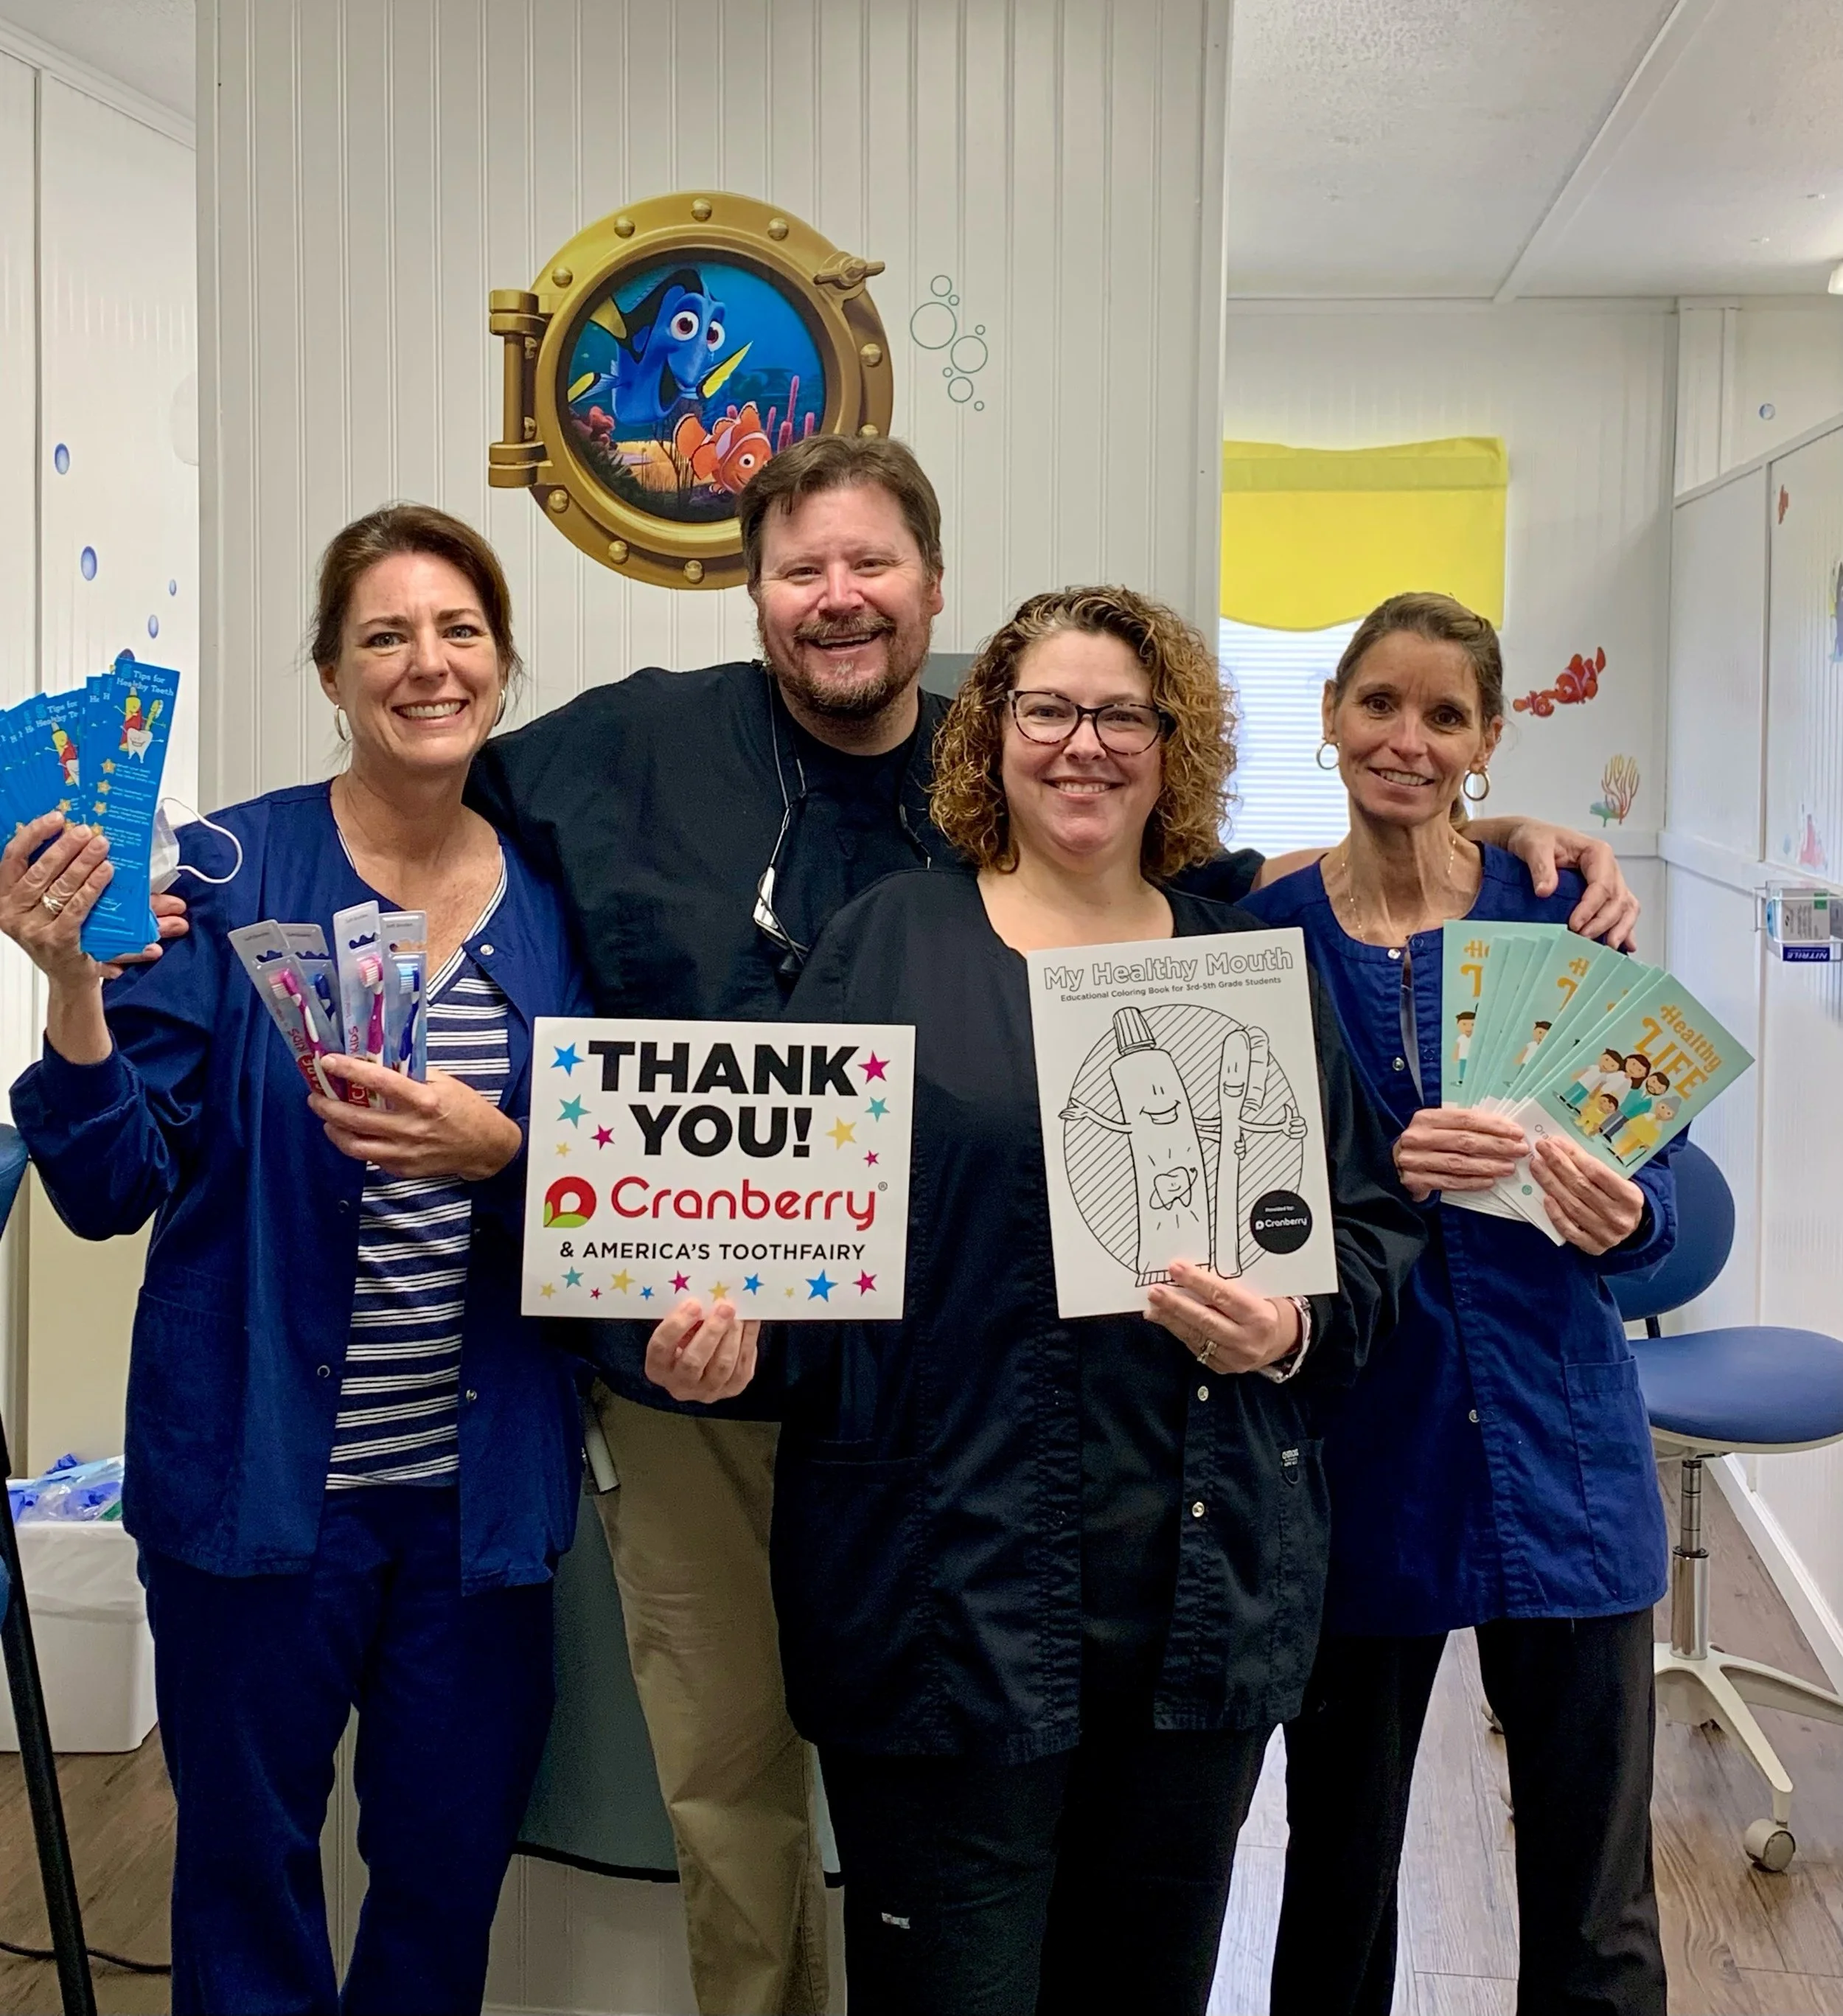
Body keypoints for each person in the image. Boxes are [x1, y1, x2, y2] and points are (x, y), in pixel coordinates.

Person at [465, 431, 1643, 2016]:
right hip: (940, 1593)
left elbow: (1368, 1235)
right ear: (989, 739)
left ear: (1170, 744)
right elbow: (800, 1230)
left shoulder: (1245, 961)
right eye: (1044, 711)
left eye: (1119, 716)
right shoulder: (884, 943)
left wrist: (1294, 1320)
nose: (1081, 744)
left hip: (1192, 1590)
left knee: (1143, 1977)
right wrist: (720, 1330)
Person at [3, 505, 588, 2016]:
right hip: (261, 1489)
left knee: (444, 1881)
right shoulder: (222, 872)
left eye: (457, 629)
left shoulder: (553, 901)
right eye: (384, 634)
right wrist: (71, 984)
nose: (426, 662)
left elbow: (603, 1182)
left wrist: (502, 1150)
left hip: (480, 1506)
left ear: (501, 665)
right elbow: (109, 1184)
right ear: (330, 671)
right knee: (246, 1877)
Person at [1240, 592, 1678, 2016]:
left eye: (1444, 716)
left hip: (1564, 1457)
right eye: (1378, 704)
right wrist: (1371, 1170)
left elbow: (1664, 1168)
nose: (1407, 740)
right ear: (1330, 718)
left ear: (1490, 740)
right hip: (1364, 1464)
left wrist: (1633, 1214)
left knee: (1596, 1901)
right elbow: (1238, 1200)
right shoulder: (1263, 939)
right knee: (1340, 1874)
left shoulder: (1566, 918)